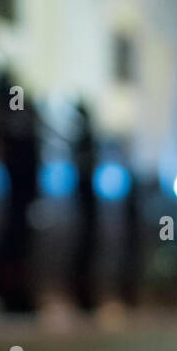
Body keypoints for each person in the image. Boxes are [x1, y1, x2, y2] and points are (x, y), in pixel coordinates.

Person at [0, 69, 41, 313]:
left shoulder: (25, 109)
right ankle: (7, 288)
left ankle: (15, 288)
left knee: (21, 236)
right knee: (12, 235)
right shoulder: (5, 106)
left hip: (24, 186)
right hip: (12, 187)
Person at [71, 100, 98, 311]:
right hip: (80, 206)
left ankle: (86, 293)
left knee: (87, 248)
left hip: (87, 207)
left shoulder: (88, 140)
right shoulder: (80, 140)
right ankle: (81, 293)